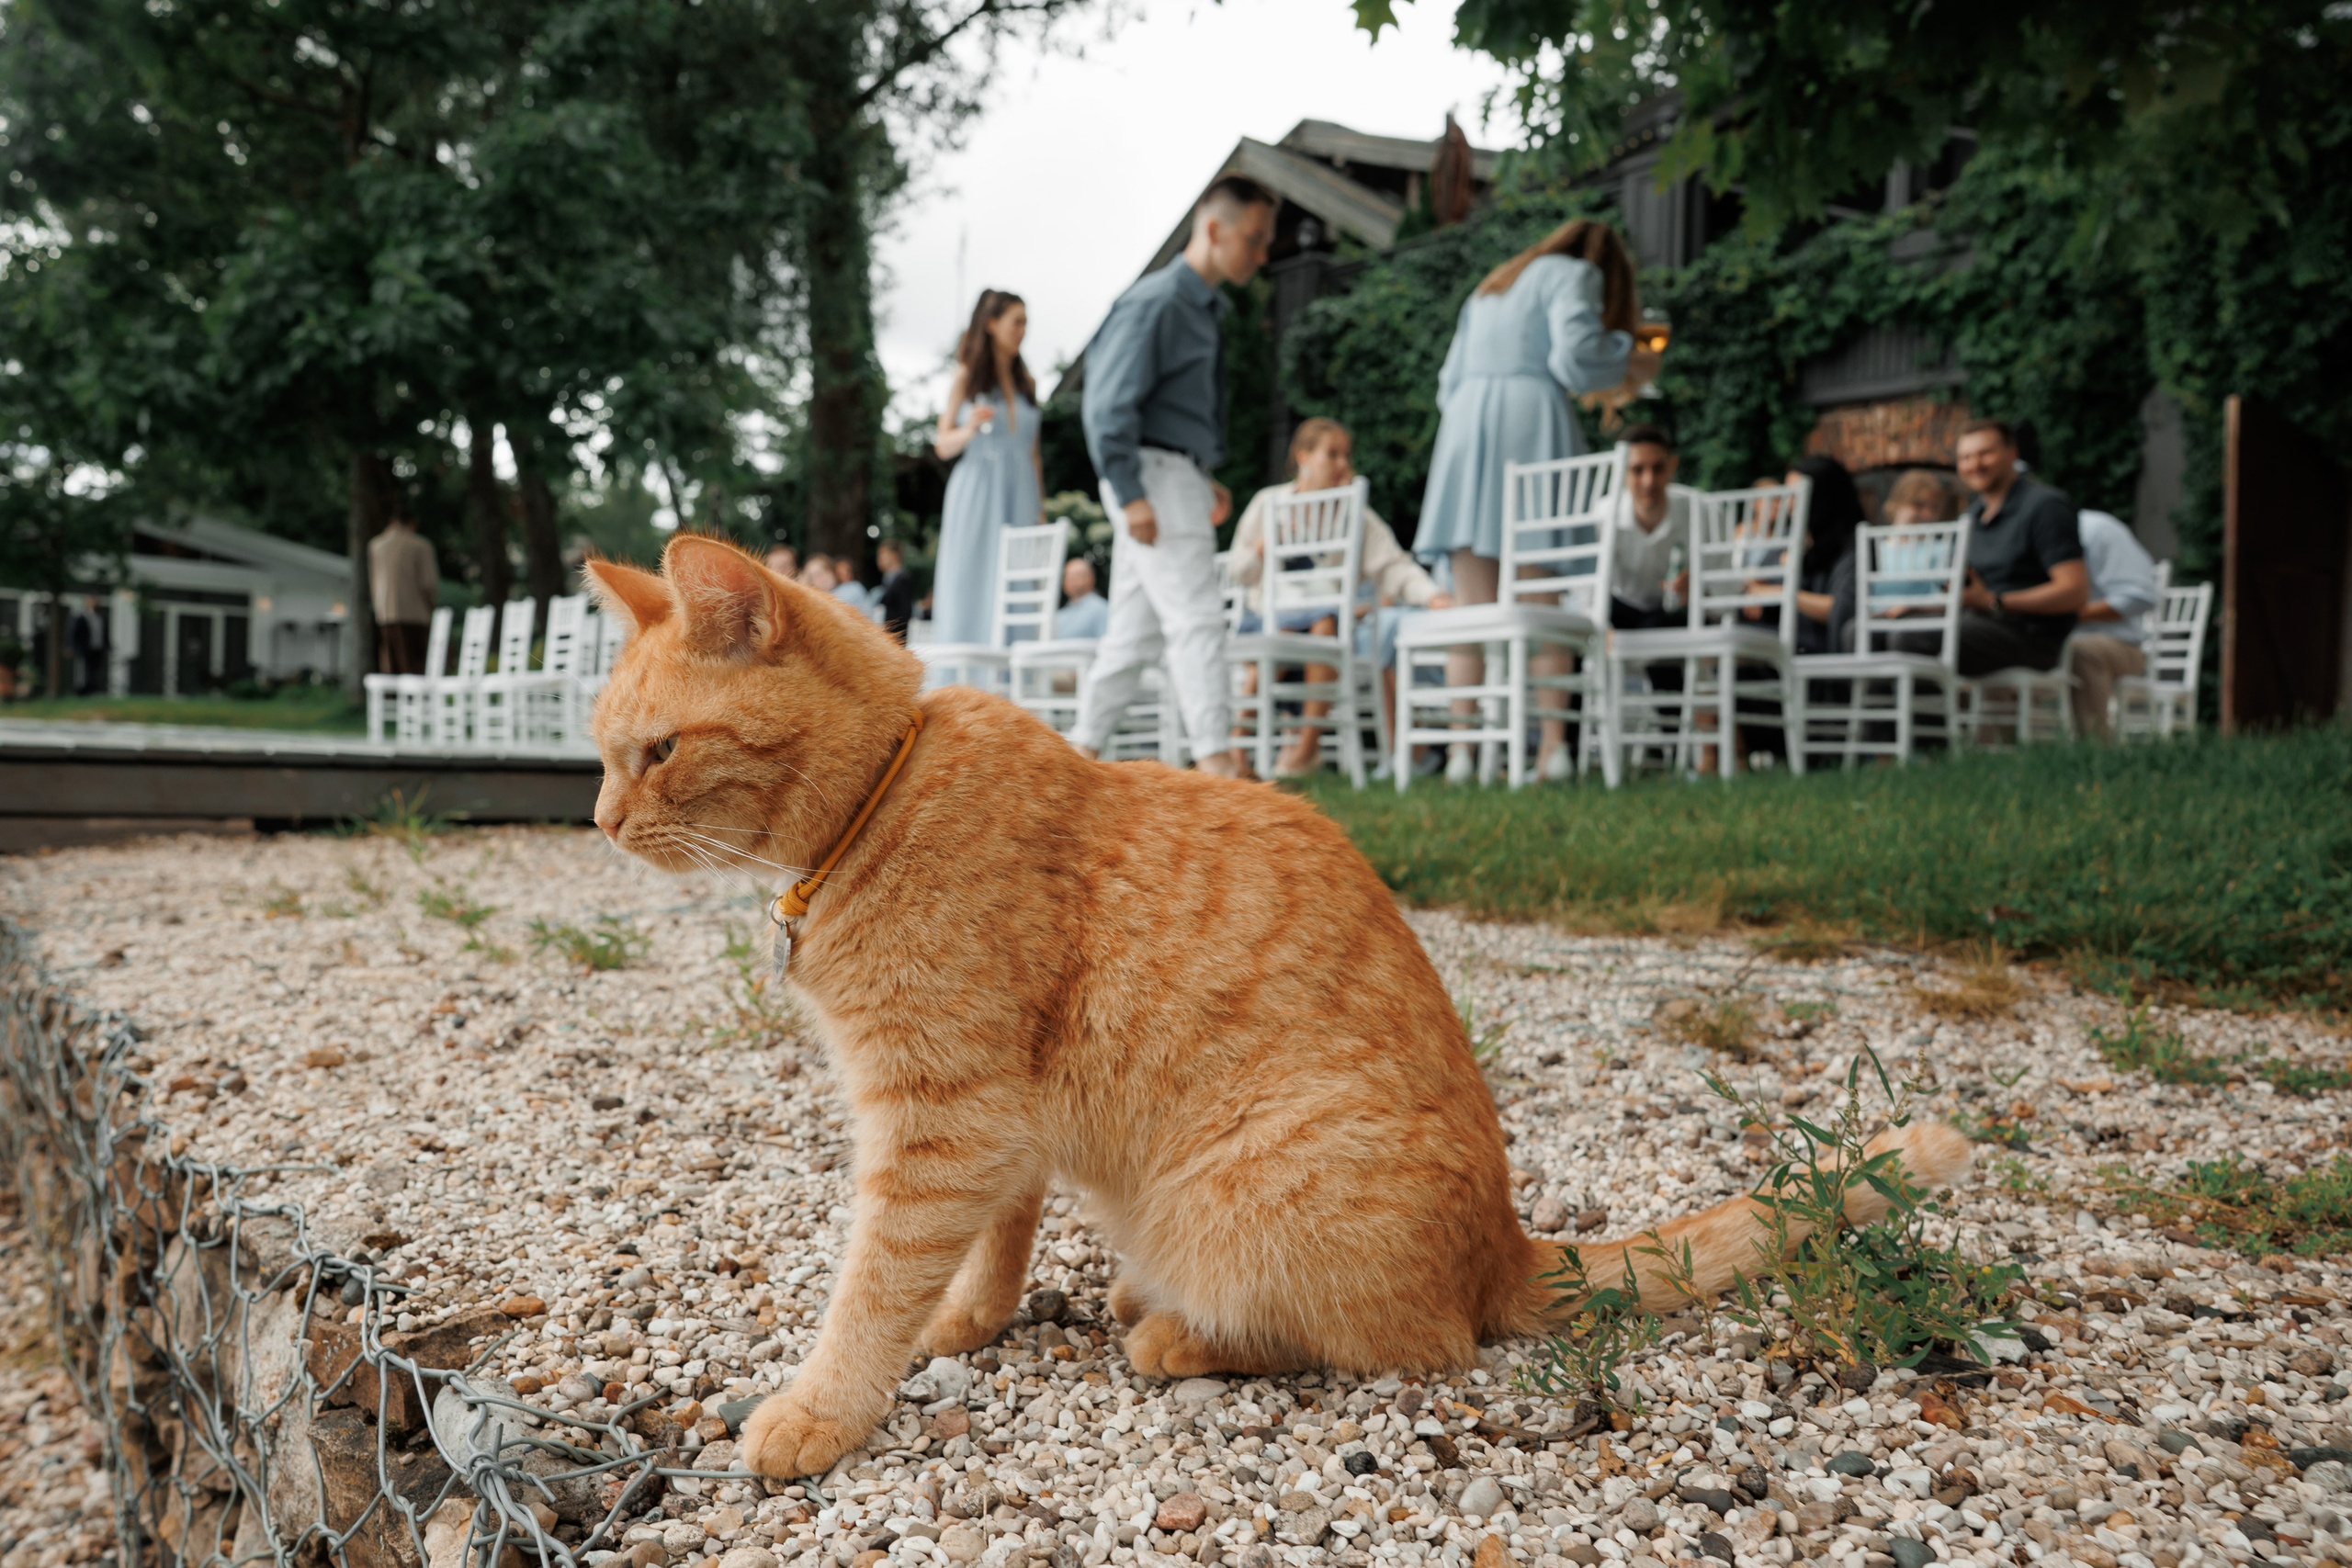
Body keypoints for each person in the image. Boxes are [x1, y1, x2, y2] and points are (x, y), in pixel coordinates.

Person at [1415, 217, 1660, 783]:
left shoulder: (1494, 283)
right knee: (1542, 594)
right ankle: (1553, 748)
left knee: (1470, 609)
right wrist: (1629, 357)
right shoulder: (1574, 275)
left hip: (1464, 428)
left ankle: (1461, 754)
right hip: (1529, 422)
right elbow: (1573, 359)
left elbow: (1446, 383)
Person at [1072, 175, 1275, 780]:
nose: (1262, 255)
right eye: (1255, 239)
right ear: (1214, 229)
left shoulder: (1205, 308)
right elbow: (1106, 407)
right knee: (1198, 620)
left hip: (1172, 474)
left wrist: (1199, 468)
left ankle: (1074, 757)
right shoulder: (1157, 302)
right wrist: (1133, 494)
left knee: (1132, 639)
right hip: (1150, 480)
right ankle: (1221, 768)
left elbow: (1169, 408)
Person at [1229, 418, 1453, 776]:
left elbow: (1393, 566)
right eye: (1332, 455)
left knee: (1322, 622)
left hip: (1324, 626)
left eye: (1346, 456)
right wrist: (1261, 549)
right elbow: (1237, 572)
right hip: (1269, 620)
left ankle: (1302, 748)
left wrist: (1431, 595)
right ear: (1303, 456)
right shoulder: (1268, 503)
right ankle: (1244, 752)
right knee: (1290, 634)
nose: (1343, 465)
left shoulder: (1354, 514)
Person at [932, 290, 1044, 646]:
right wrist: (970, 428)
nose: (1023, 330)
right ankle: (968, 685)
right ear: (992, 324)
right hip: (977, 489)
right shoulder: (966, 376)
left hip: (1022, 491)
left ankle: (1015, 676)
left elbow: (1034, 453)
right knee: (973, 578)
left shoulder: (1028, 385)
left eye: (1026, 322)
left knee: (1021, 578)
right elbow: (942, 444)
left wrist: (1040, 508)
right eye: (1017, 321)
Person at [1950, 419, 2088, 674]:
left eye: (1984, 454)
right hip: (1977, 625)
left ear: (2012, 453)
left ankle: (1924, 714)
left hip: (2032, 636)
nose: (1974, 465)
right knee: (1863, 631)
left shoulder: (2045, 506)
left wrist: (1996, 602)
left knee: (1919, 639)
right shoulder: (1969, 519)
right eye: (1965, 457)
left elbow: (2075, 591)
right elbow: (1966, 595)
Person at [2068, 508, 2162, 740]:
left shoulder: (2095, 529)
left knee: (2080, 652)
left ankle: (2094, 751)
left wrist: (2070, 614)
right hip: (2041, 639)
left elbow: (2141, 596)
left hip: (2119, 645)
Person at [368, 510, 438, 675]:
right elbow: (428, 583)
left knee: (391, 666)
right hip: (415, 614)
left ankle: (394, 701)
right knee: (416, 666)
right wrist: (432, 605)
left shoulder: (376, 545)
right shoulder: (419, 545)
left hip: (385, 615)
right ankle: (418, 700)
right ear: (412, 523)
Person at [875, 540, 917, 644]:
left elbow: (904, 613)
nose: (879, 558)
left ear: (894, 555)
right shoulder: (889, 580)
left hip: (896, 639)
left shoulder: (902, 580)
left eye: (882, 554)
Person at [1056, 558, 1109, 640]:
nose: (1071, 580)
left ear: (1091, 578)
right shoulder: (1060, 614)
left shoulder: (1101, 609)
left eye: (1076, 575)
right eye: (1068, 576)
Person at [67, 595, 107, 695]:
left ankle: (94, 688)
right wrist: (71, 646)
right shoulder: (81, 617)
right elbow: (73, 632)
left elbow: (104, 632)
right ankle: (83, 690)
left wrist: (107, 644)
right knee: (85, 669)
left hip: (97, 647)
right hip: (85, 647)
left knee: (96, 669)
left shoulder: (100, 617)